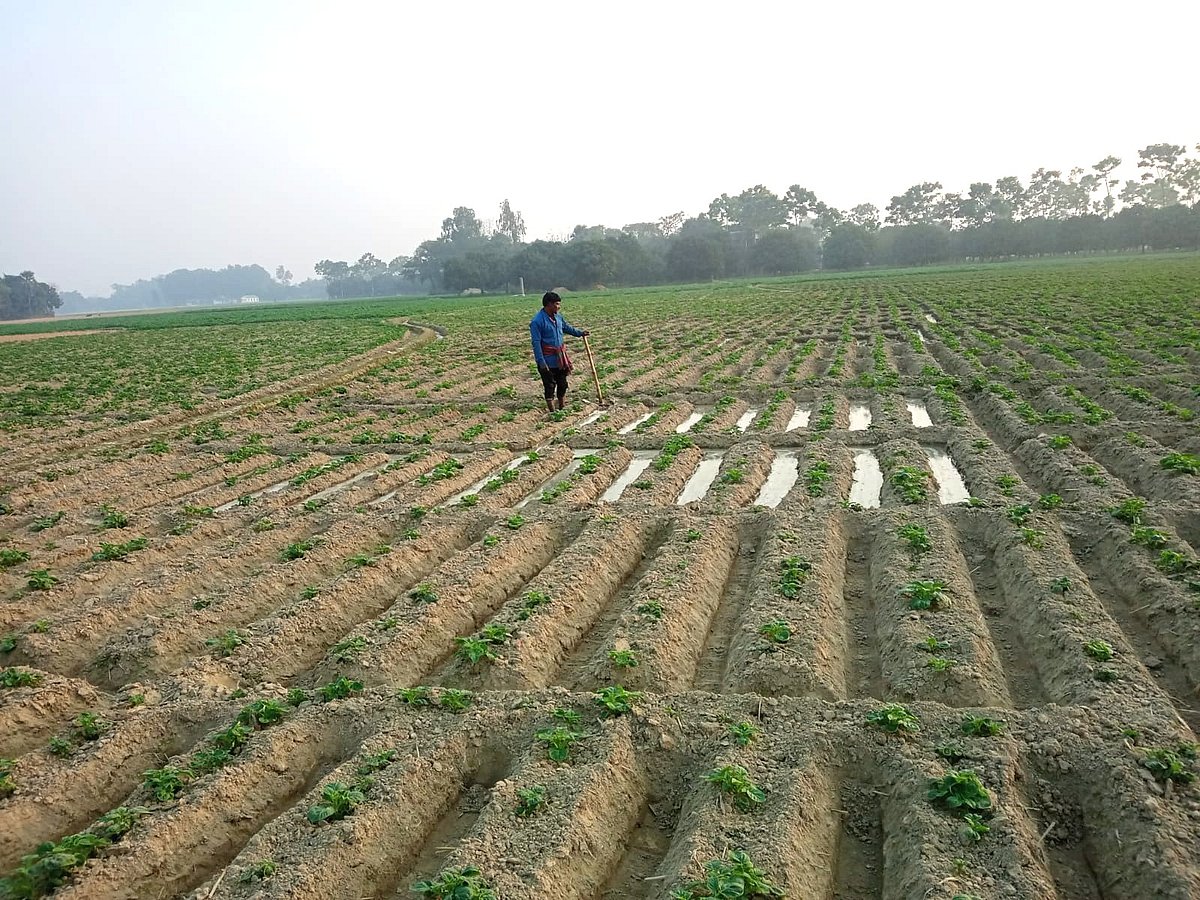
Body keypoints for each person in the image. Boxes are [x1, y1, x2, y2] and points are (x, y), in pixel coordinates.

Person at [530, 291, 589, 413]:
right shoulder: (537, 321)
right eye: (557, 304)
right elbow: (536, 343)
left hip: (560, 358)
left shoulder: (558, 317)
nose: (559, 306)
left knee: (562, 384)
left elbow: (566, 328)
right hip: (547, 359)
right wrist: (541, 362)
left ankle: (562, 406)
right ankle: (552, 411)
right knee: (550, 385)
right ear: (549, 304)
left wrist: (580, 333)